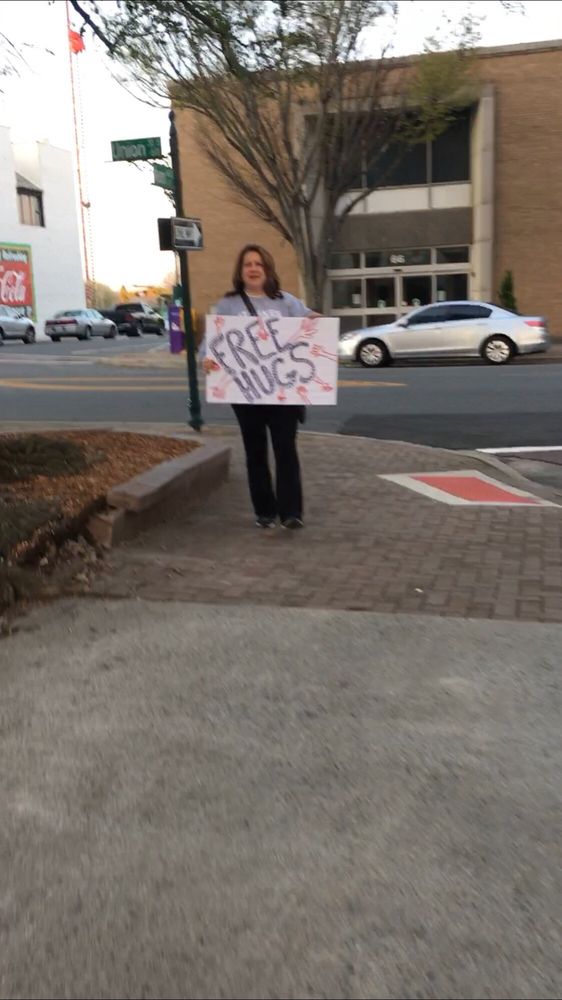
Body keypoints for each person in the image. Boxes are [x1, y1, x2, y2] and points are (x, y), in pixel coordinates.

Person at [205, 243, 317, 530]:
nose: (253, 269)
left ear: (267, 269)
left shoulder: (286, 302)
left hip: (284, 392)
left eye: (258, 264)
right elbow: (213, 341)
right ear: (240, 271)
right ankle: (264, 511)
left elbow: (309, 323)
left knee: (285, 449)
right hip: (246, 392)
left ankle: (291, 512)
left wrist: (322, 324)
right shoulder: (229, 304)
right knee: (255, 451)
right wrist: (207, 359)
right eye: (248, 264)